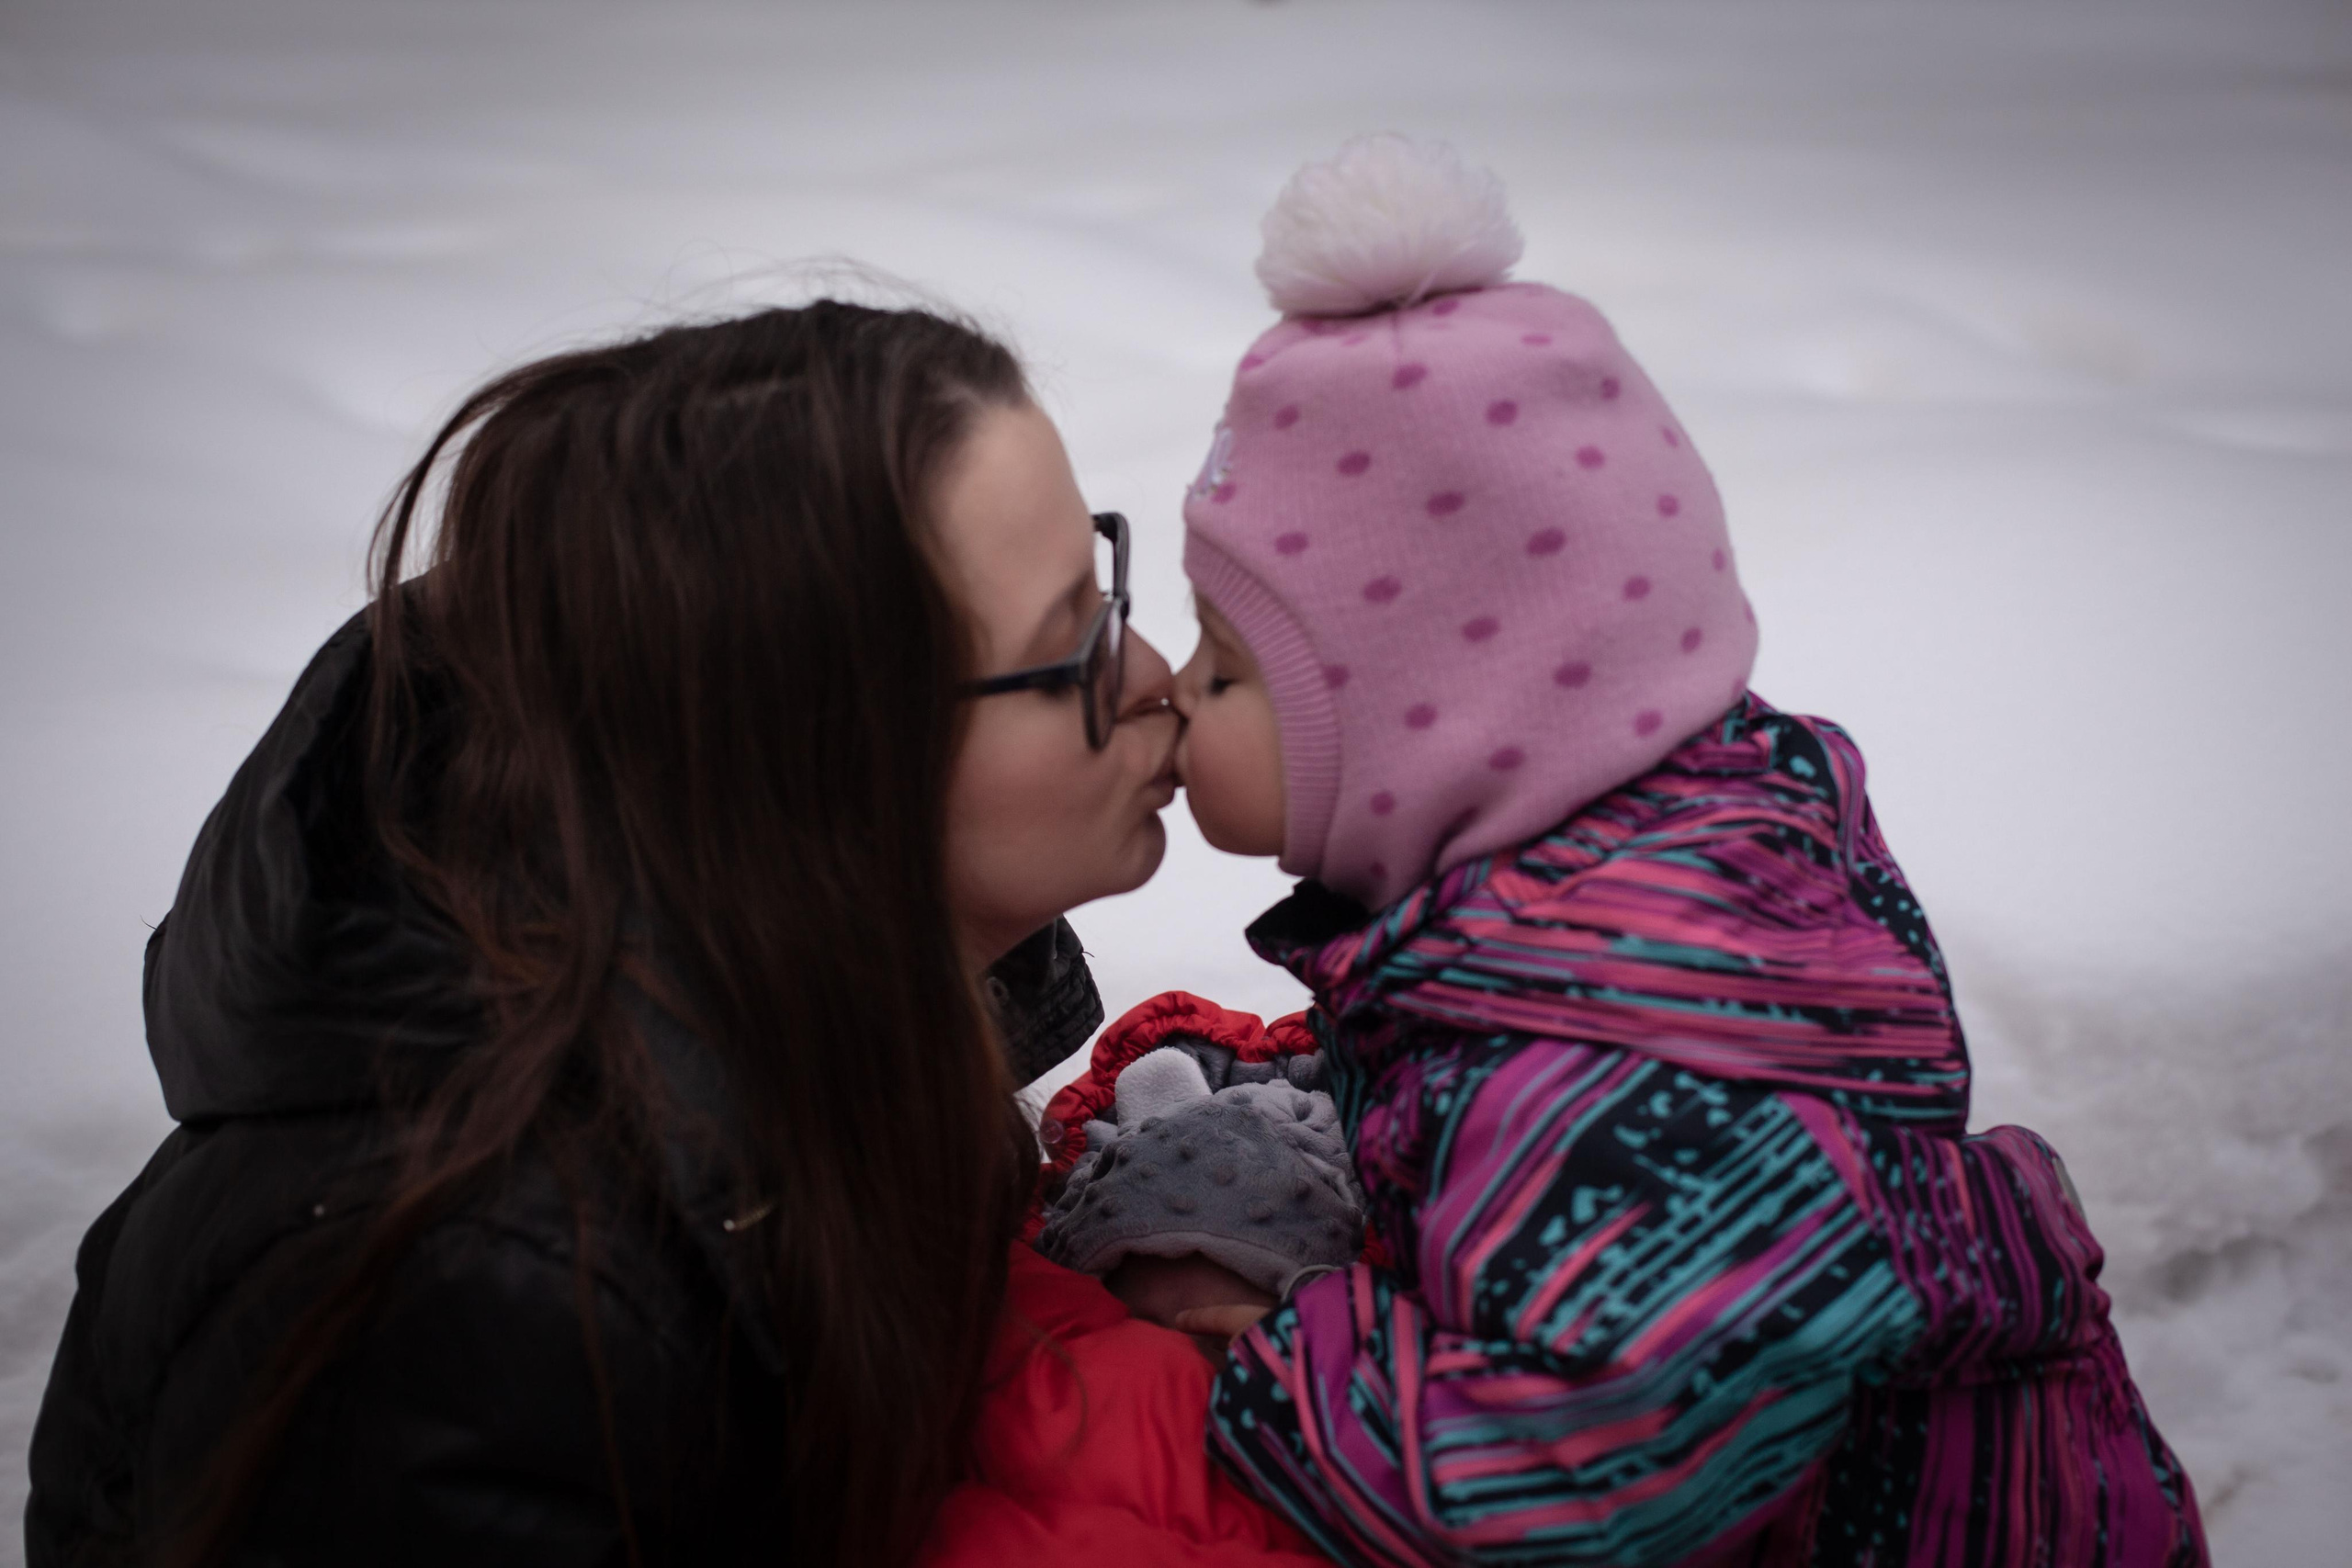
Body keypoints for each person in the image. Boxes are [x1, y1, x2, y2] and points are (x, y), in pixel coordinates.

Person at [25, 301, 1315, 1566]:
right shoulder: (504, 1308)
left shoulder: (835, 1025)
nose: (1151, 671)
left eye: (1106, 585)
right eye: (1069, 644)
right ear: (820, 764)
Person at [1148, 137, 2210, 1566]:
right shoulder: (1629, 891)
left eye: (1226, 670)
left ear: (1423, 725)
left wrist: (1293, 1369)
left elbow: (1569, 1503)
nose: (1170, 695)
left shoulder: (1595, 1067)